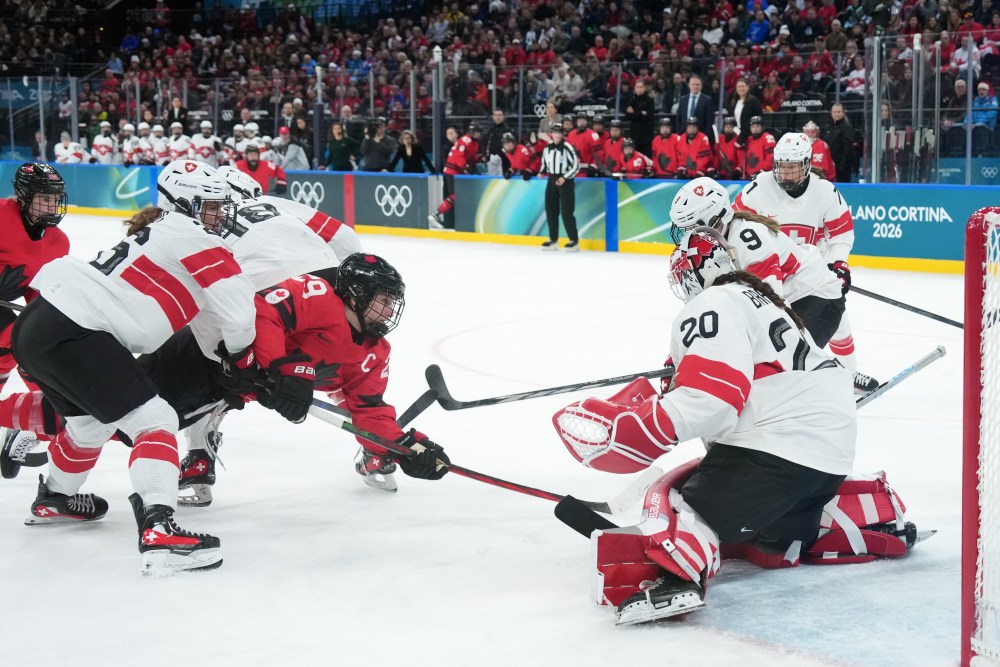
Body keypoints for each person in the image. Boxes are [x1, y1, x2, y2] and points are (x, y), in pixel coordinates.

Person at [552, 230, 919, 625]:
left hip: (777, 450)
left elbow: (714, 402)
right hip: (829, 456)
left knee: (679, 501)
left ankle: (678, 574)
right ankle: (867, 518)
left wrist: (642, 428)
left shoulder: (712, 302)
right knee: (770, 542)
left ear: (697, 272)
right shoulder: (763, 300)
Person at [12, 160, 258, 575]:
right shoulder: (192, 235)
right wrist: (244, 363)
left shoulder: (165, 232)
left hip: (40, 324)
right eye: (211, 206)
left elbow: (210, 316)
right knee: (155, 418)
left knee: (90, 426)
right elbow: (238, 314)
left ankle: (54, 498)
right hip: (77, 330)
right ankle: (160, 531)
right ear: (184, 205)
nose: (219, 215)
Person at [733, 133, 878, 392]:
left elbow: (841, 233)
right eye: (782, 166)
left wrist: (837, 264)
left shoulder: (824, 191)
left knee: (838, 321)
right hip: (769, 272)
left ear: (807, 164)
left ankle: (848, 373)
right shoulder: (758, 189)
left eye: (792, 167)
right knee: (770, 330)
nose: (786, 174)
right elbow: (737, 225)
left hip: (811, 273)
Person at [668, 177, 845, 349]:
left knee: (781, 364)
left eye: (690, 228)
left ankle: (838, 376)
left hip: (815, 296)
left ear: (715, 220)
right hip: (789, 299)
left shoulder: (749, 242)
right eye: (683, 230)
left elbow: (769, 310)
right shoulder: (715, 245)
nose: (686, 238)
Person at [0, 164, 70, 408]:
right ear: (24, 197)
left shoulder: (58, 243)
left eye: (55, 198)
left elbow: (37, 293)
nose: (52, 205)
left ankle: (49, 412)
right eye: (44, 198)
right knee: (10, 334)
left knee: (30, 345)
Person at [429, 122, 482, 230]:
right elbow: (459, 157)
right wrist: (465, 168)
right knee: (455, 195)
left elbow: (469, 157)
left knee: (457, 196)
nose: (479, 134)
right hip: (452, 171)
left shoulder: (473, 143)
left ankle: (437, 214)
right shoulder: (465, 140)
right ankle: (436, 214)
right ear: (472, 132)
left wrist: (479, 159)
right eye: (477, 132)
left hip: (457, 172)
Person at [538, 123, 580, 251]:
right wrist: (541, 172)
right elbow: (544, 163)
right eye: (555, 132)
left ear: (562, 134)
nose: (557, 135)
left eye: (559, 132)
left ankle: (574, 240)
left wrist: (564, 177)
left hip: (565, 181)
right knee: (551, 210)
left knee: (567, 211)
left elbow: (576, 166)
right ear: (552, 133)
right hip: (551, 179)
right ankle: (553, 239)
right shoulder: (547, 148)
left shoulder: (567, 148)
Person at [676, 75, 714, 145]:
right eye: (693, 84)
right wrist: (680, 133)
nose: (695, 87)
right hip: (684, 136)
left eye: (697, 85)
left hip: (700, 136)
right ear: (689, 85)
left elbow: (709, 121)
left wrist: (705, 137)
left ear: (701, 86)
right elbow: (679, 118)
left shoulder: (707, 100)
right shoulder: (683, 99)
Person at [625, 79, 656, 155]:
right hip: (635, 135)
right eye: (637, 87)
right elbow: (628, 116)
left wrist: (635, 113)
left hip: (646, 136)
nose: (639, 89)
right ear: (634, 89)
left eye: (641, 87)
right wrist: (641, 113)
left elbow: (649, 116)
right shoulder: (631, 100)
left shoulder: (650, 101)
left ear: (644, 88)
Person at [827, 104, 855, 183]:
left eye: (839, 112)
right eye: (834, 112)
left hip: (842, 165)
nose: (836, 114)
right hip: (830, 164)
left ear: (843, 112)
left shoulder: (847, 127)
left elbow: (848, 147)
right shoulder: (828, 126)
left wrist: (843, 165)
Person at [731, 78, 763, 147]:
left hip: (749, 135)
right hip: (736, 133)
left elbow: (759, 118)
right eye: (739, 87)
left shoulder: (754, 101)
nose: (741, 89)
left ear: (748, 87)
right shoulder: (734, 102)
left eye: (743, 86)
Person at [481, 109, 511, 176]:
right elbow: (484, 143)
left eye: (500, 115)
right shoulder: (490, 130)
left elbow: (510, 146)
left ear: (503, 117)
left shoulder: (507, 130)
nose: (498, 117)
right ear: (493, 117)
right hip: (491, 161)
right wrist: (484, 154)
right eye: (496, 115)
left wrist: (500, 154)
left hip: (504, 161)